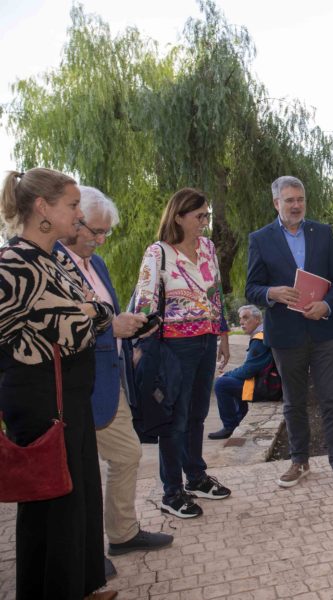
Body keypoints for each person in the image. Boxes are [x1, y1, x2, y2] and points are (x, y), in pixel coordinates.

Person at [0, 169, 117, 599]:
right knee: (50, 501)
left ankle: (82, 585)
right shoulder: (13, 263)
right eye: (71, 205)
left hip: (70, 395)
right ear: (42, 209)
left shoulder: (52, 258)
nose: (78, 213)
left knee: (79, 494)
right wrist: (82, 315)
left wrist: (84, 316)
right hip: (39, 397)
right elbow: (85, 318)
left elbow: (96, 313)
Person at [56, 186, 173, 573]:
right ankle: (86, 553)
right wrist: (113, 330)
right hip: (74, 385)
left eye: (106, 233)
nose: (100, 239)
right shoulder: (53, 263)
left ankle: (122, 534)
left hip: (109, 382)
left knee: (127, 454)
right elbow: (63, 327)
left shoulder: (98, 264)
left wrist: (131, 334)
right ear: (74, 221)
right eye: (94, 231)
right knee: (79, 472)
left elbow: (106, 314)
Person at [245, 175, 333, 496]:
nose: (296, 205)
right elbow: (251, 289)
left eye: (300, 199)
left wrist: (327, 304)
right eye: (289, 200)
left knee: (332, 400)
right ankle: (299, 461)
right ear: (276, 203)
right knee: (293, 403)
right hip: (285, 335)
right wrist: (272, 292)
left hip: (323, 332)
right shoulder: (260, 239)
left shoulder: (322, 233)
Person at [133, 188, 232, 519]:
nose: (205, 221)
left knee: (198, 413)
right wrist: (140, 348)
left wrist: (223, 335)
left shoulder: (207, 247)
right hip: (173, 347)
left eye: (207, 215)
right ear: (178, 217)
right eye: (199, 216)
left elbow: (215, 292)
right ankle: (171, 491)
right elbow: (144, 302)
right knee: (175, 418)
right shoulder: (158, 253)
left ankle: (196, 477)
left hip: (205, 342)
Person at [208, 305, 272, 440]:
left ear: (257, 319)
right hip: (268, 383)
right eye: (240, 319)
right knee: (232, 381)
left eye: (246, 318)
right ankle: (239, 418)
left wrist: (227, 374)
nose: (241, 322)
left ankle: (229, 426)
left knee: (221, 384)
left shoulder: (260, 339)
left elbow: (248, 371)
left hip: (267, 387)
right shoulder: (264, 334)